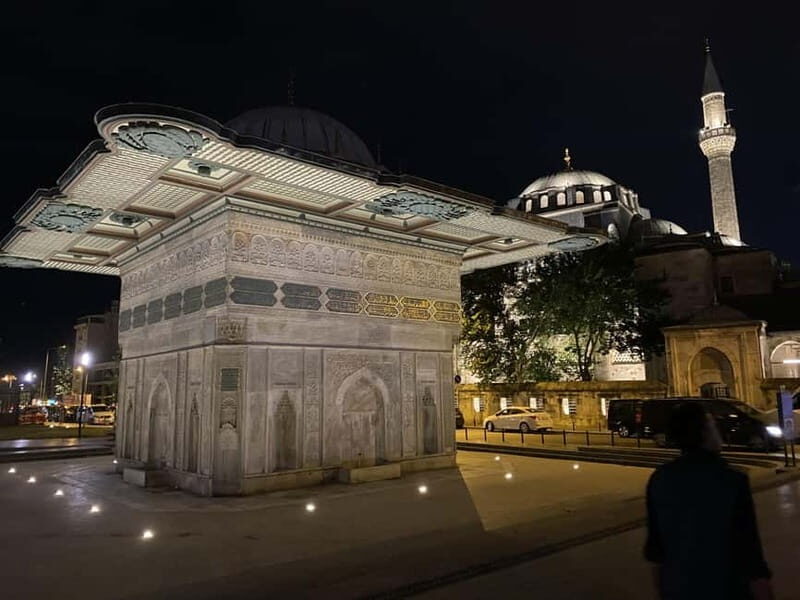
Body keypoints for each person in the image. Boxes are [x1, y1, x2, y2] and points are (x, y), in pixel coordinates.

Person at [644, 401, 774, 600]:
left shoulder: (659, 479)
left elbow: (656, 552)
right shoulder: (730, 479)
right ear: (704, 432)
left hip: (679, 588)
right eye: (712, 425)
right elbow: (749, 552)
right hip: (726, 587)